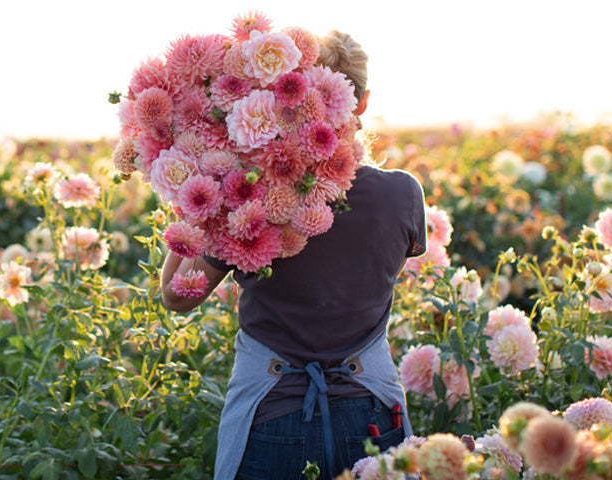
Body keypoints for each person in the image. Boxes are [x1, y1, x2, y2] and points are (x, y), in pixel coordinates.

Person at [161, 30, 427, 480]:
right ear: (362, 103)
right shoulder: (401, 193)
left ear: (289, 94)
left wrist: (192, 199)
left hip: (271, 411)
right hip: (372, 412)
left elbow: (177, 296)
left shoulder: (253, 196)